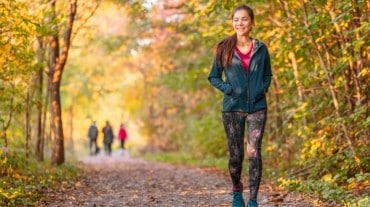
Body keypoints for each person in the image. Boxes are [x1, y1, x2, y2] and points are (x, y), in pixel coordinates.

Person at [208, 5, 272, 207]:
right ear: (232, 22)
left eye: (244, 19)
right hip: (232, 108)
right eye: (236, 19)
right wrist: (229, 89)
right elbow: (213, 77)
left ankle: (253, 199)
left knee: (254, 153)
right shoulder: (224, 48)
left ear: (251, 22)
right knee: (236, 155)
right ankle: (237, 192)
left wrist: (262, 89)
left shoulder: (261, 49)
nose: (240, 23)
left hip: (257, 107)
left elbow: (267, 75)